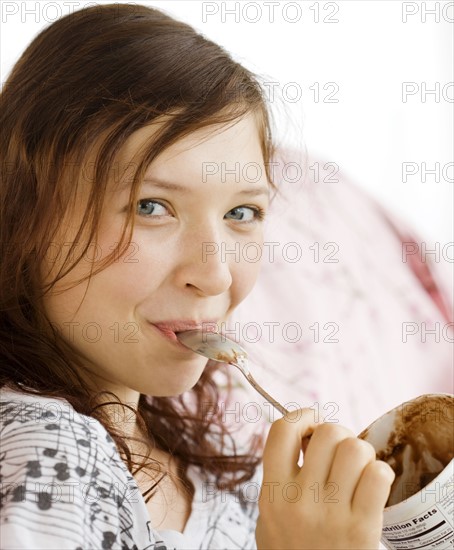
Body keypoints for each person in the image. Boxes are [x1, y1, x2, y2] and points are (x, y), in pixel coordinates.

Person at [0, 3, 395, 549]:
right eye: (152, 206)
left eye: (241, 214)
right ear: (24, 214)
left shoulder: (216, 471)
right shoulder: (44, 456)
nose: (214, 275)